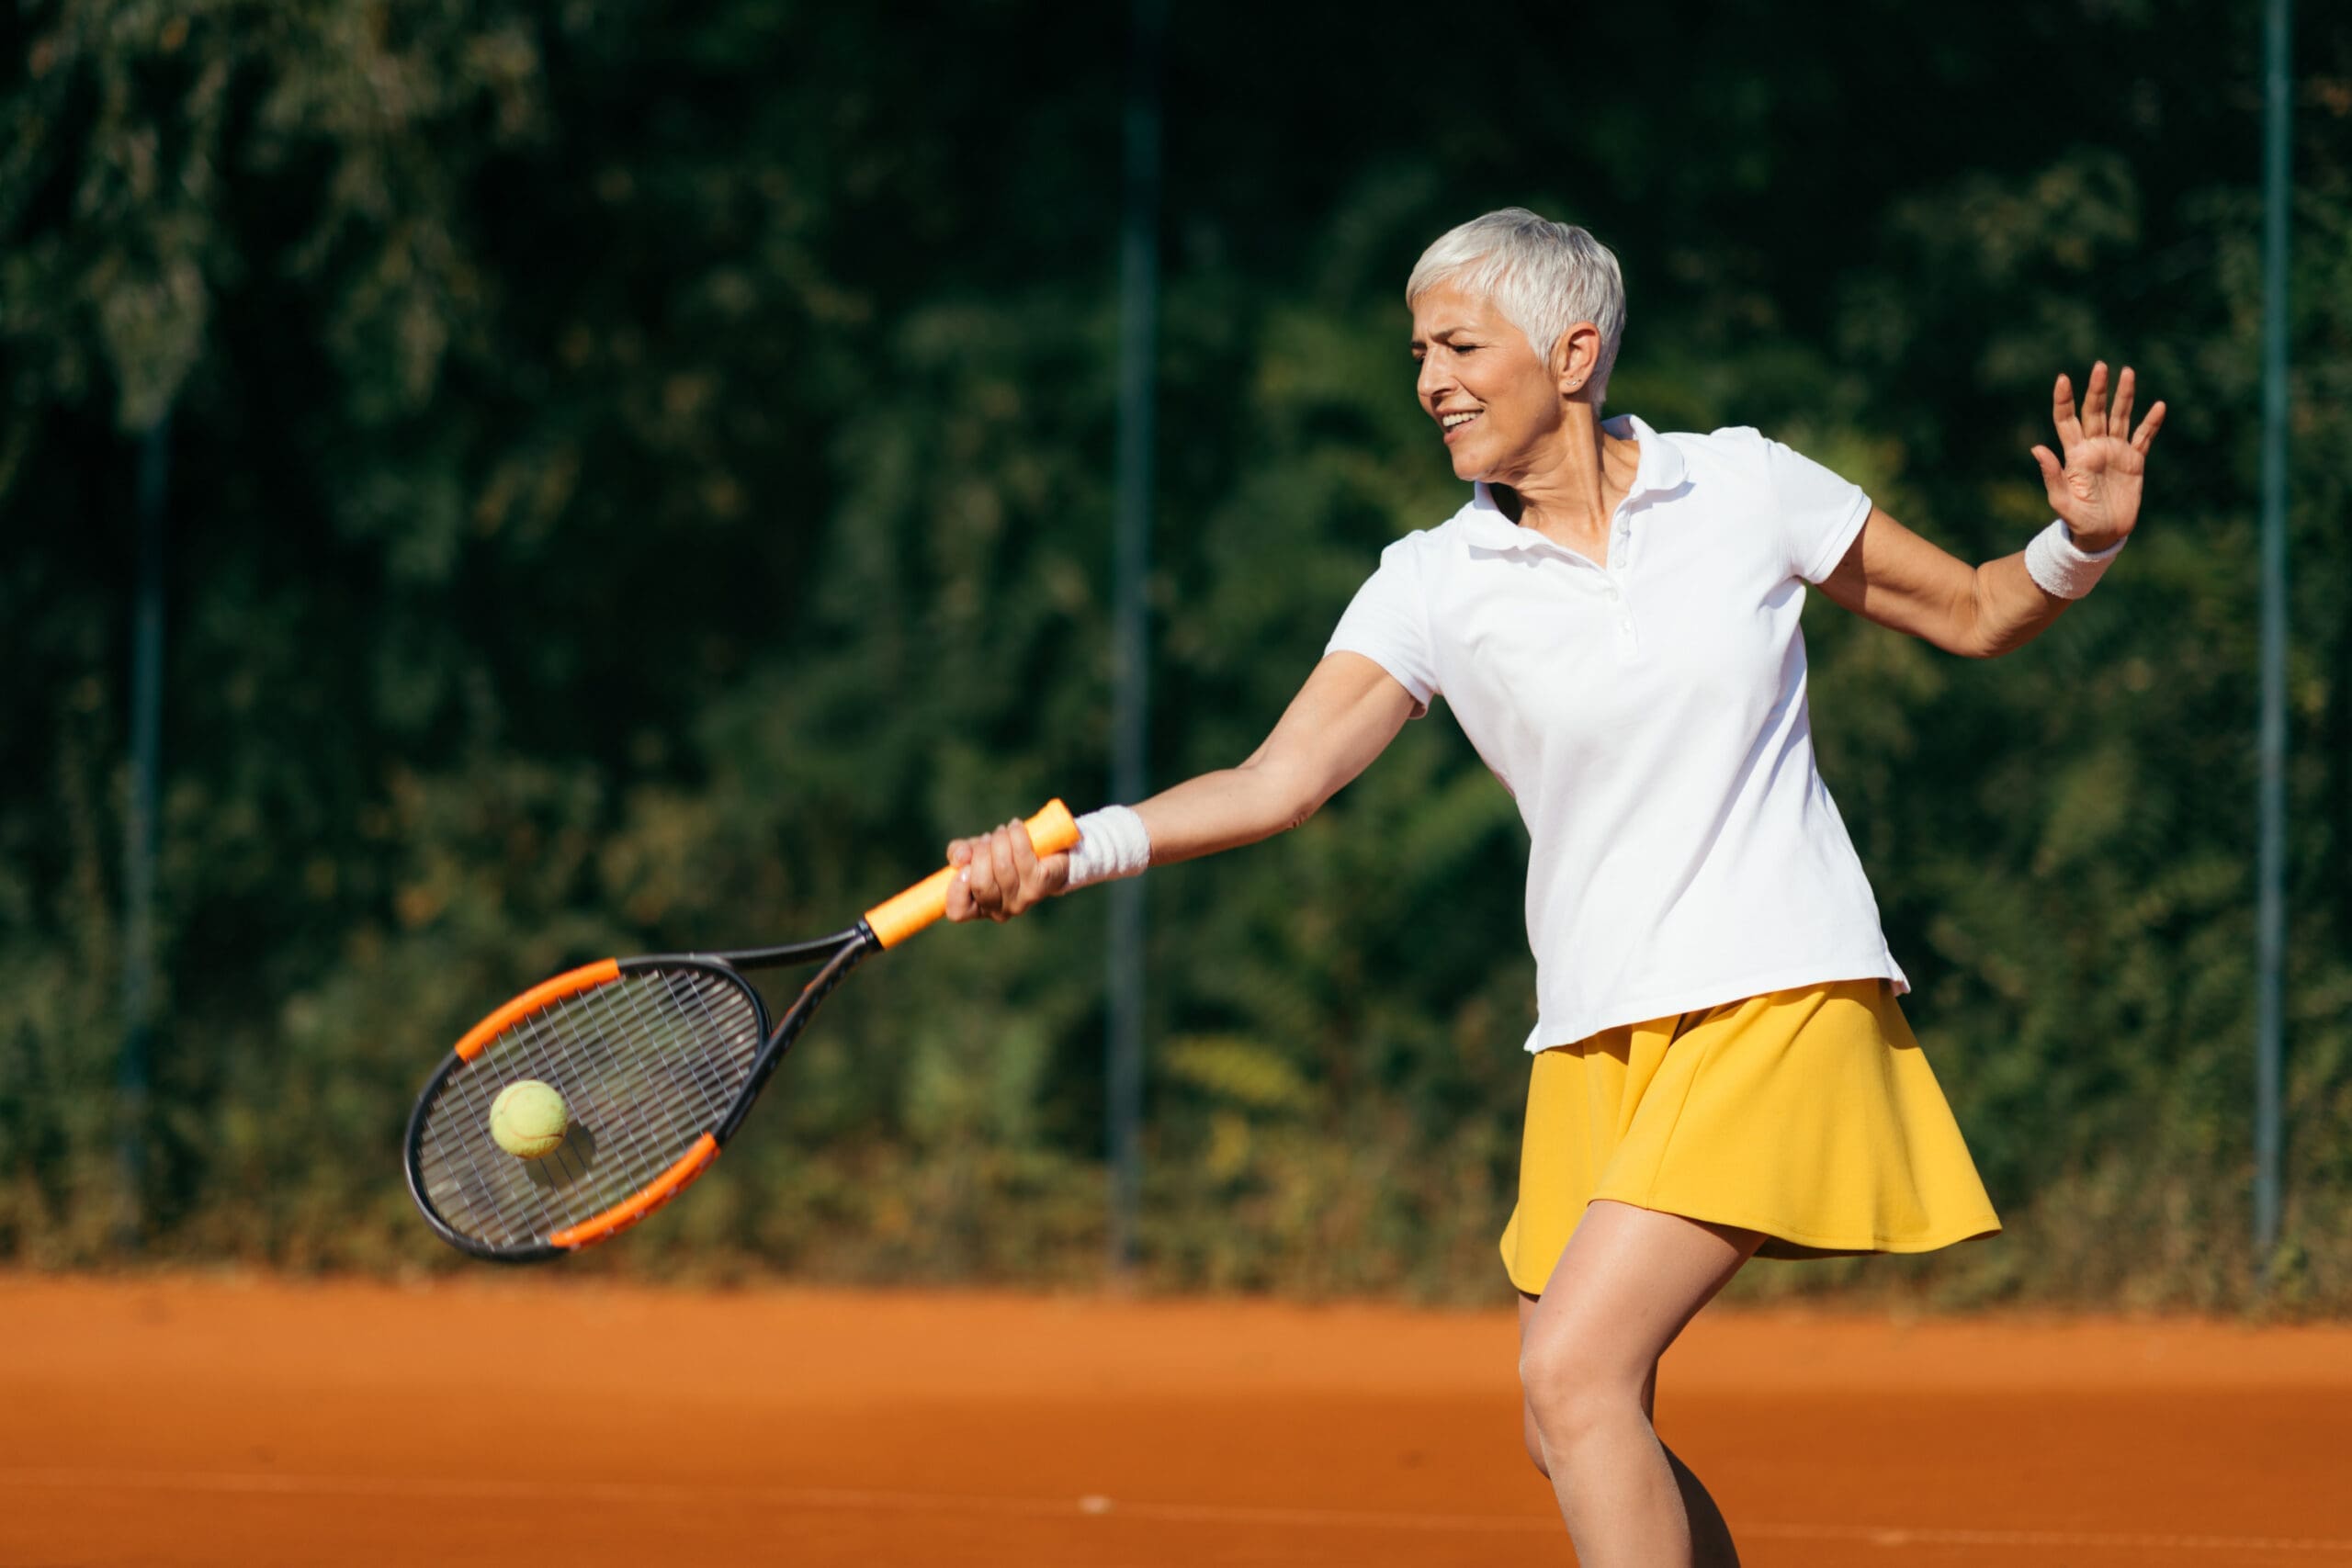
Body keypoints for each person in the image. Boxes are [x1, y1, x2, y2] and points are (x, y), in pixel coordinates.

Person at [940, 207, 2164, 1567]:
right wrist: (1068, 849)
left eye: (1460, 344)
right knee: (1571, 1420)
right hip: (1594, 1029)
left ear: (1573, 352)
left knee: (1572, 1382)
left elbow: (1979, 612)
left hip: (1778, 990)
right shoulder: (1431, 580)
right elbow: (1275, 783)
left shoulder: (1746, 485)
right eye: (1419, 353)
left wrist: (2079, 546)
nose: (1429, 382)